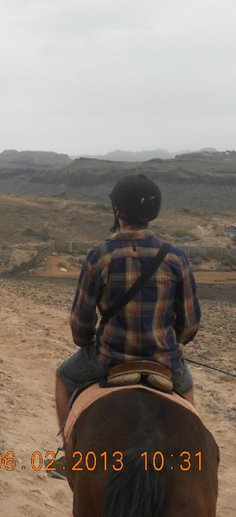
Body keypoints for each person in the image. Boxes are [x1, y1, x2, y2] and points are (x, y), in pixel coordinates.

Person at [55, 173, 200, 439]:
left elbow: (80, 324)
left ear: (118, 211)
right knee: (188, 394)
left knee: (64, 377)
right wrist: (177, 343)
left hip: (109, 357)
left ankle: (67, 453)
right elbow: (190, 323)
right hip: (163, 358)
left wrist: (85, 340)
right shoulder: (176, 256)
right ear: (153, 212)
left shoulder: (99, 256)